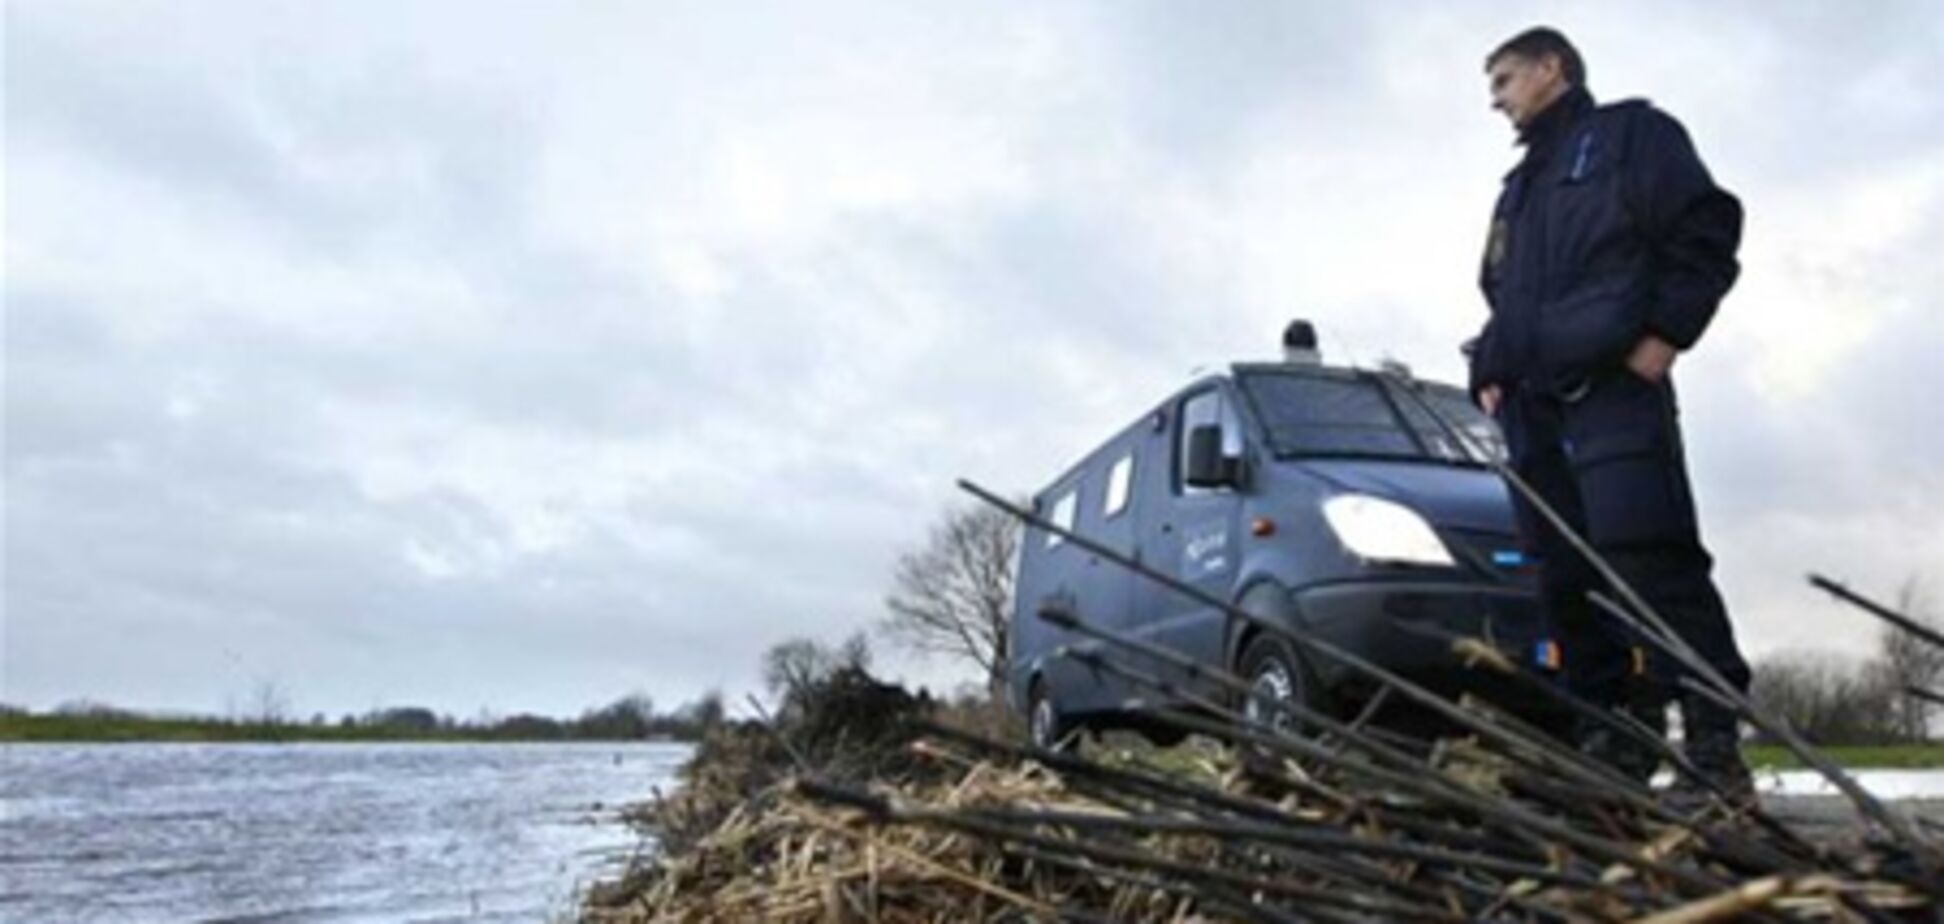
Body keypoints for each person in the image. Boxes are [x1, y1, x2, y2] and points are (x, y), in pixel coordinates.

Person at [1466, 27, 1754, 801]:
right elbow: (1502, 297)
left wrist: (1667, 333)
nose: (1493, 99)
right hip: (1532, 409)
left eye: (1503, 80)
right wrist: (1487, 368)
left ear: (1551, 69)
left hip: (1614, 392)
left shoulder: (1632, 136)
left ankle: (1714, 747)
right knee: (1564, 579)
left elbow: (1708, 229)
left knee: (1649, 560)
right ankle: (1610, 748)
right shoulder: (1517, 191)